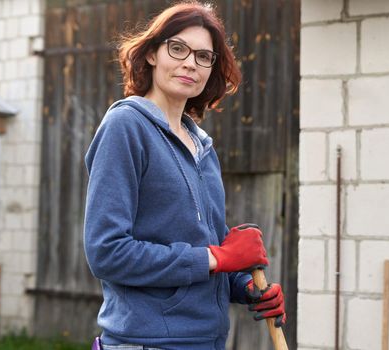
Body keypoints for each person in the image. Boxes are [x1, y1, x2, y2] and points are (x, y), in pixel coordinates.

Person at [83, 2, 286, 349]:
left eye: (204, 56)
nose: (191, 62)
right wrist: (215, 258)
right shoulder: (126, 127)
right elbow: (107, 252)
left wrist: (246, 287)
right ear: (151, 54)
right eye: (178, 48)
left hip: (206, 340)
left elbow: (206, 255)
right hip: (148, 342)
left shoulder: (201, 147)